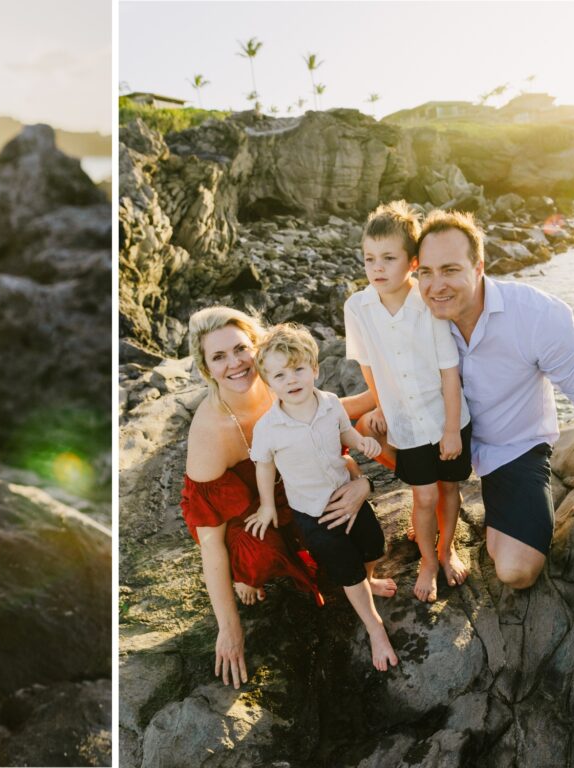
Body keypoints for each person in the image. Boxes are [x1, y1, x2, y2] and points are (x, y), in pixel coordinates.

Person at [181, 307, 391, 689]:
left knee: (350, 513)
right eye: (218, 357)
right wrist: (229, 628)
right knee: (256, 553)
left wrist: (361, 480)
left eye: (240, 349)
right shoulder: (209, 431)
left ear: (257, 348)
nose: (234, 364)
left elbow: (331, 421)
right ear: (206, 368)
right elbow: (208, 538)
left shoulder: (279, 378)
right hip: (243, 507)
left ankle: (356, 572)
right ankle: (245, 574)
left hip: (298, 484)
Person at [416, 209, 574, 589]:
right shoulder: (417, 317)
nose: (435, 285)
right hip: (444, 440)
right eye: (425, 272)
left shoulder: (538, 317)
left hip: (512, 448)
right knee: (369, 426)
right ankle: (429, 500)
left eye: (449, 270)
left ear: (478, 268)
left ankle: (498, 512)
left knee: (517, 571)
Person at [245, 323, 398, 672]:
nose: (292, 380)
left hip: (345, 492)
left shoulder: (329, 403)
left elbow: (344, 430)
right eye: (280, 375)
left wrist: (361, 443)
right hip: (312, 511)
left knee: (374, 545)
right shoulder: (269, 428)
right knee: (346, 567)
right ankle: (374, 626)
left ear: (314, 369)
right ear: (268, 383)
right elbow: (264, 467)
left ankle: (369, 577)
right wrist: (267, 505)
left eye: (299, 369)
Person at [344, 201, 472, 603]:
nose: (377, 268)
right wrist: (380, 405)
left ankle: (446, 548)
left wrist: (452, 430)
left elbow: (449, 372)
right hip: (406, 423)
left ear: (412, 263)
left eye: (388, 258)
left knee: (450, 489)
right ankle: (428, 562)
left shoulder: (427, 304)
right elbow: (368, 365)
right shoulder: (358, 307)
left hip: (446, 417)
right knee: (424, 495)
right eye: (369, 259)